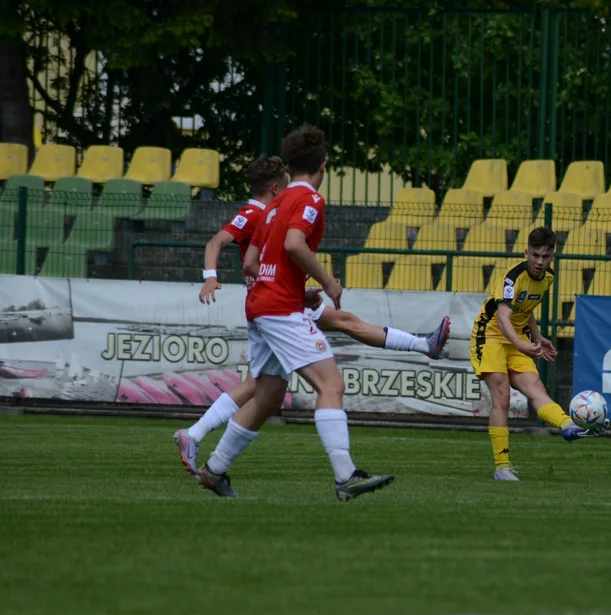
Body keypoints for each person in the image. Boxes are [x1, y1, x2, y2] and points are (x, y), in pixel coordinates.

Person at [174, 155, 450, 478]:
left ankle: (209, 460)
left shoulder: (272, 211)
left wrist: (291, 287)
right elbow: (220, 244)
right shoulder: (257, 212)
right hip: (276, 302)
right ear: (277, 186)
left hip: (279, 297)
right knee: (279, 384)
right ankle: (194, 436)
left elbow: (253, 263)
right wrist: (211, 275)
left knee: (275, 383)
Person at [190, 124, 395, 500]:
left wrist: (291, 291)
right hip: (280, 309)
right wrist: (327, 283)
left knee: (268, 395)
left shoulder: (273, 204)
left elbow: (251, 261)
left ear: (290, 164)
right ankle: (345, 477)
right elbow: (295, 244)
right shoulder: (309, 200)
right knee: (331, 385)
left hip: (260, 305)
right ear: (324, 165)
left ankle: (214, 470)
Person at [470, 227, 606, 482]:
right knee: (501, 397)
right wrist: (522, 345)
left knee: (536, 389)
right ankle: (501, 467)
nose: (539, 262)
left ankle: (567, 424)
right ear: (526, 253)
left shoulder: (547, 278)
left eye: (545, 256)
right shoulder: (513, 277)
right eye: (535, 255)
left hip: (518, 337)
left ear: (553, 256)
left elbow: (527, 308)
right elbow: (502, 317)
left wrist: (537, 335)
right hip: (489, 336)